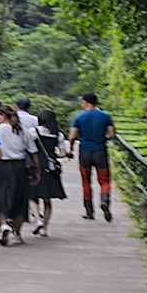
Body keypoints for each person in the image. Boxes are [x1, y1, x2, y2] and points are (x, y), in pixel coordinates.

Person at [69, 91, 117, 221]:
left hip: (85, 152)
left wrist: (70, 149)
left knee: (86, 181)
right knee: (104, 180)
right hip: (100, 151)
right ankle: (105, 200)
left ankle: (89, 211)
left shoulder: (78, 117)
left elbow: (72, 136)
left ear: (85, 102)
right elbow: (112, 135)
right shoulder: (105, 116)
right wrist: (104, 138)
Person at [0, 102, 31, 245]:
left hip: (2, 167)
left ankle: (3, 225)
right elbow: (33, 152)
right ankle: (17, 233)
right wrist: (36, 171)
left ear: (2, 115)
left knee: (1, 197)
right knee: (20, 199)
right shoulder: (23, 131)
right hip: (20, 167)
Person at [30, 107, 68, 235]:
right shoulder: (58, 134)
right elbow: (62, 153)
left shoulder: (34, 132)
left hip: (37, 167)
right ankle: (45, 228)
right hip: (51, 169)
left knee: (31, 196)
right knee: (47, 200)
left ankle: (37, 219)